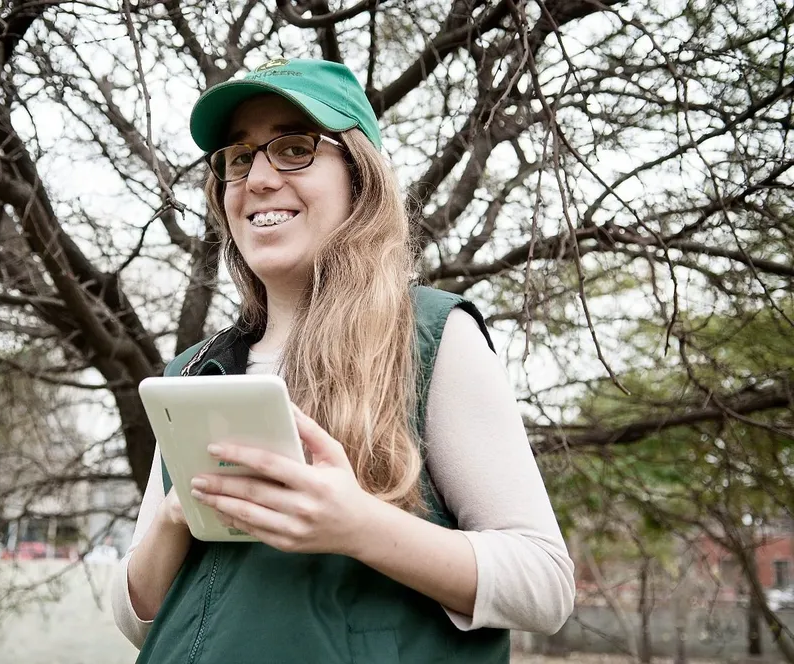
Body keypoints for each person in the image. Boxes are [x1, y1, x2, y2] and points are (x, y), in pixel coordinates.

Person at [111, 58, 574, 664]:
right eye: (239, 158)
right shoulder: (193, 374)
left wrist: (359, 527)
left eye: (294, 148)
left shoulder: (431, 336)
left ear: (360, 179)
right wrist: (179, 514)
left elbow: (544, 584)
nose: (258, 178)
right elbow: (142, 620)